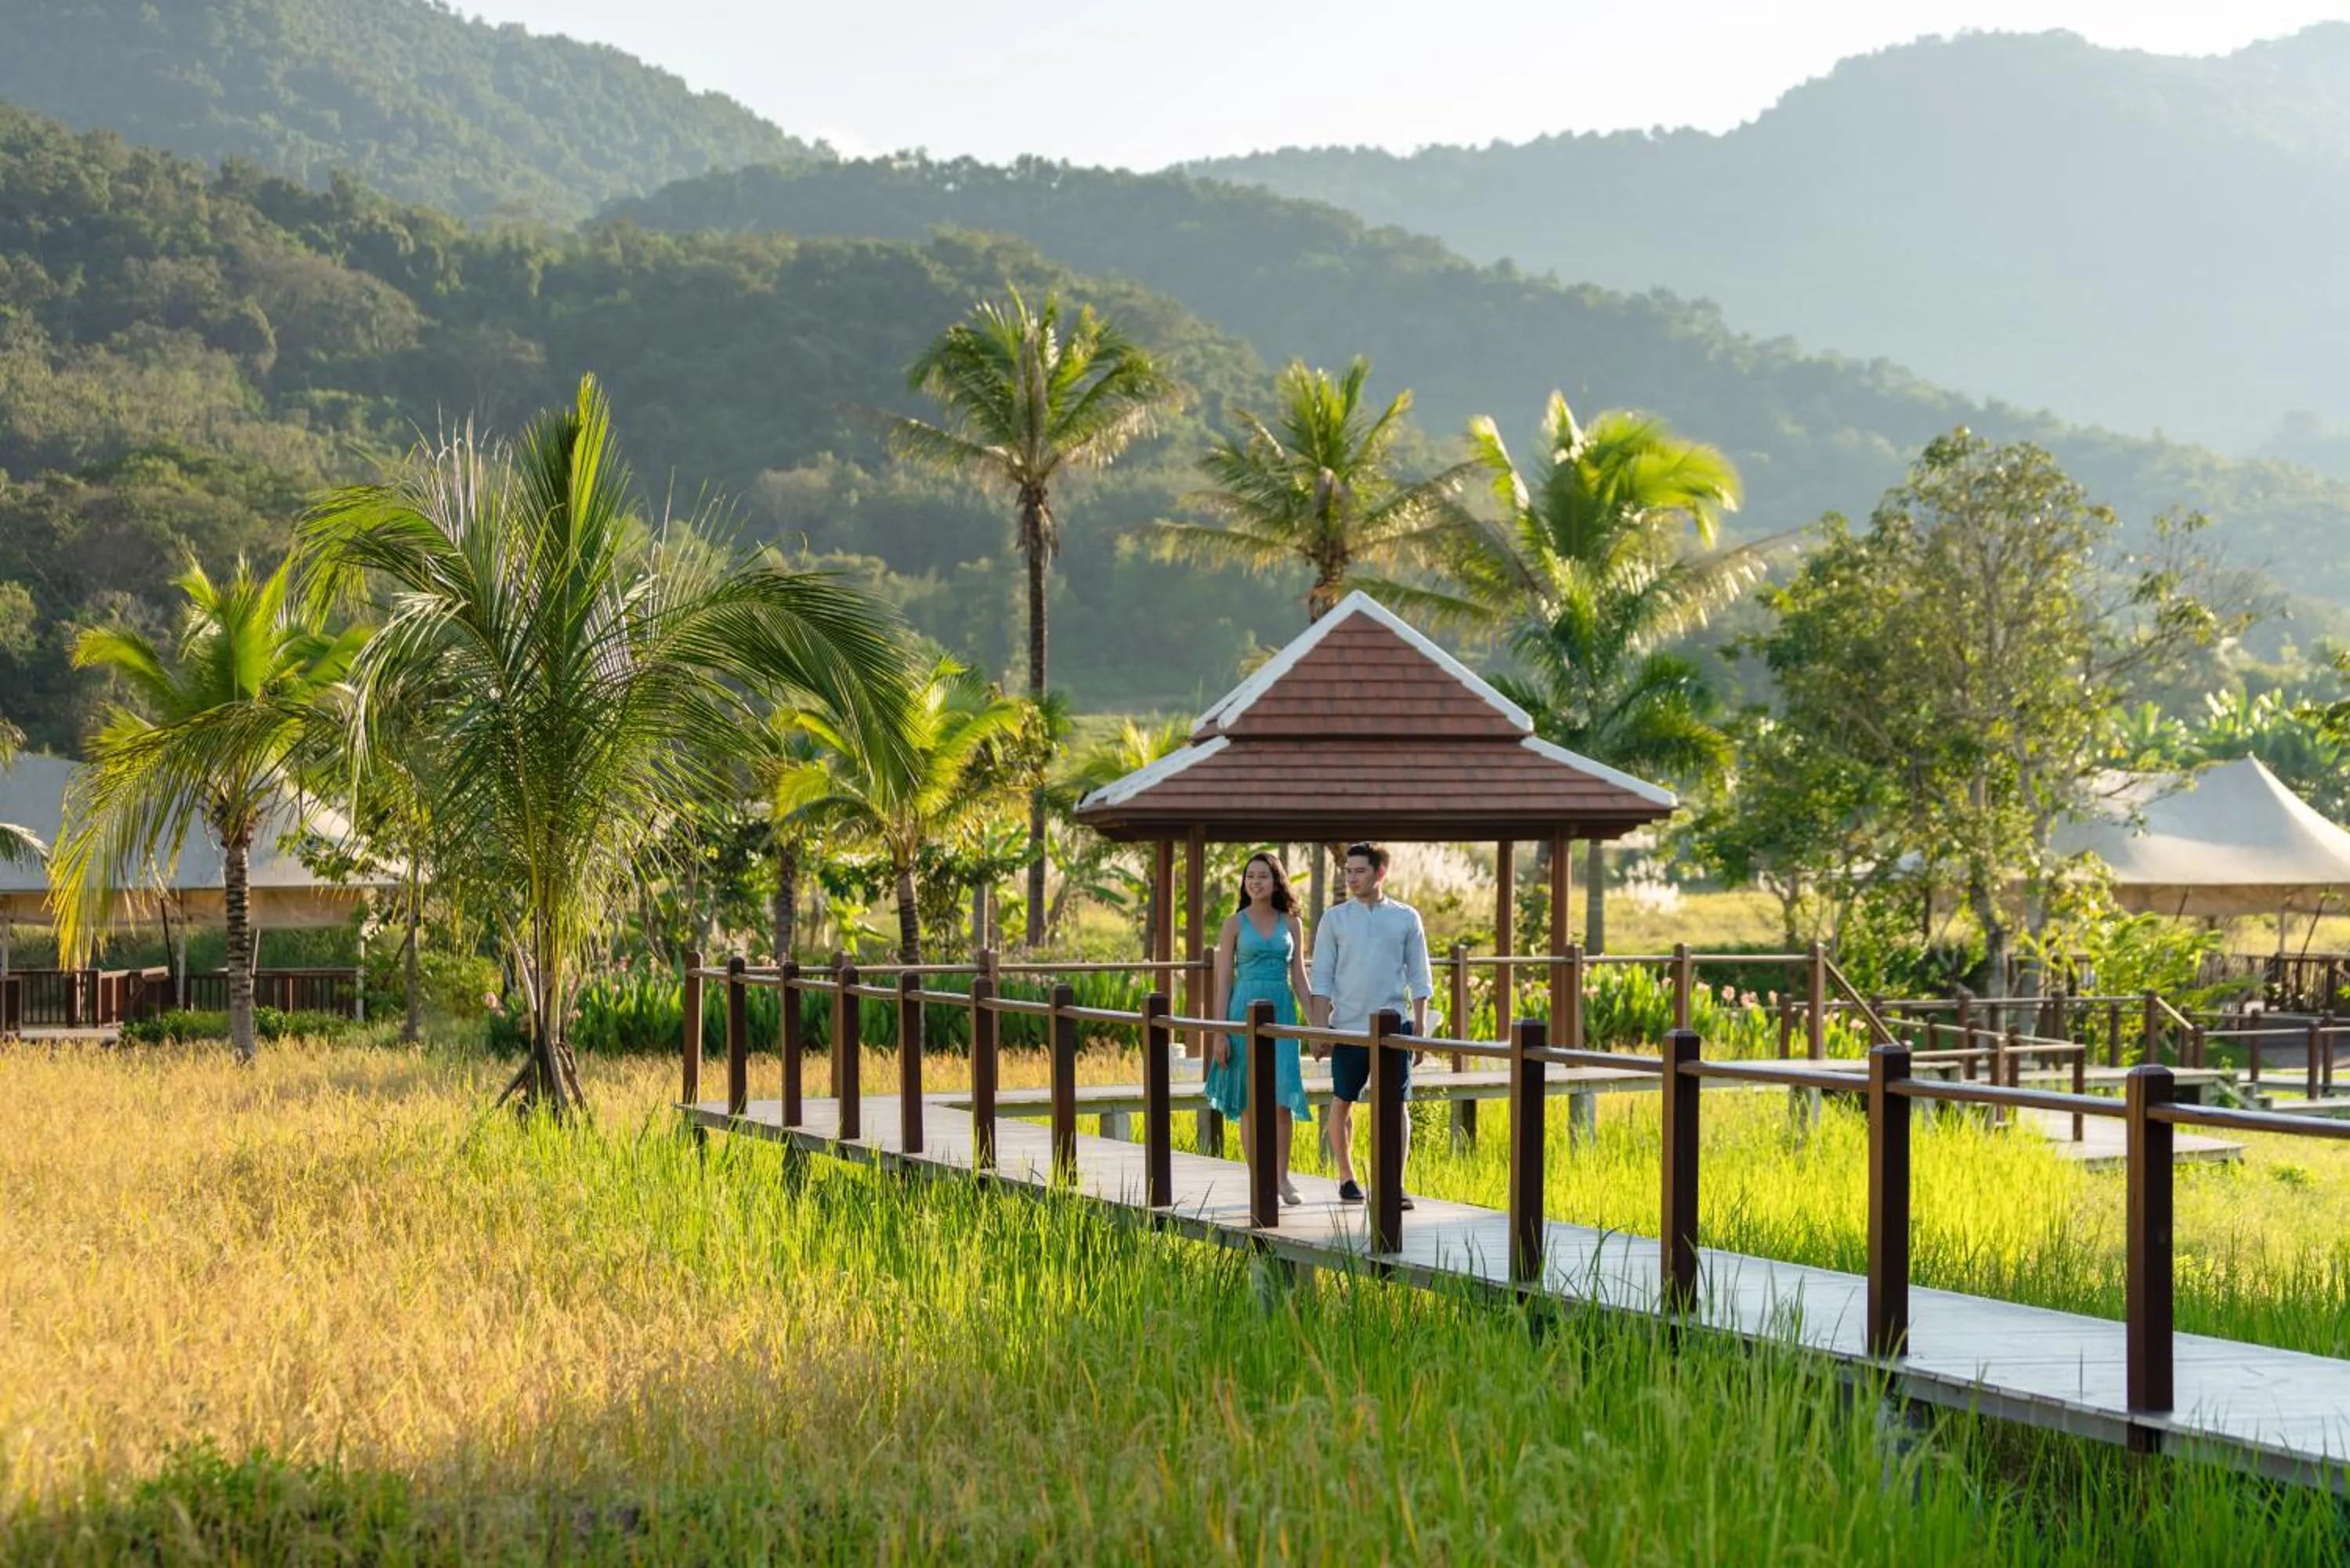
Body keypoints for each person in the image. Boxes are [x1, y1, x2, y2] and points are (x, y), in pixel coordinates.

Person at [1308, 842, 1433, 1206]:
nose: (1352, 878)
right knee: (1343, 1100)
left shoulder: (1406, 917)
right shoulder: (1335, 919)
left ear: (1380, 873)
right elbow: (1322, 978)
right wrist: (1319, 1029)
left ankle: (1394, 1183)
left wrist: (1420, 1030)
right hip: (1347, 1026)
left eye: (1359, 871)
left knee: (1396, 1105)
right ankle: (1346, 1177)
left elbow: (1420, 976)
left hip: (1394, 1029)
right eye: (1348, 871)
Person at [1205, 851, 1314, 1206]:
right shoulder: (1234, 923)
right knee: (1251, 1102)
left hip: (1282, 1012)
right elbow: (1222, 982)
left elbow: (1300, 978)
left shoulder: (1292, 922)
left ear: (1276, 880)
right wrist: (1219, 1033)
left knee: (1283, 1100)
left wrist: (1317, 1030)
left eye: (1263, 876)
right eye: (1250, 876)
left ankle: (1282, 1178)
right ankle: (1259, 1178)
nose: (1255, 881)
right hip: (1243, 1013)